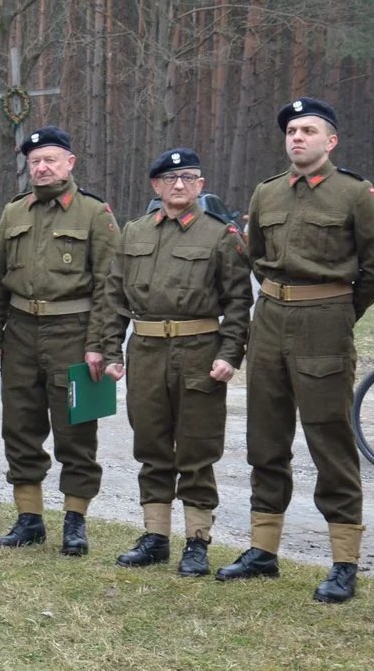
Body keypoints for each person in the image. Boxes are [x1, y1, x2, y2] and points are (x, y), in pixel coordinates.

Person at [216, 98, 374, 604]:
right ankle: (262, 550)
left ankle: (343, 563)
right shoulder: (267, 193)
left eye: (308, 130)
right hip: (269, 319)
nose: (297, 138)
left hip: (325, 322)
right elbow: (256, 259)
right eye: (292, 130)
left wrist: (336, 310)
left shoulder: (356, 195)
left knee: (329, 441)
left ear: (330, 141)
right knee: (265, 438)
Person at [102, 148, 252, 575]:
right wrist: (112, 350)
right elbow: (113, 298)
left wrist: (229, 354)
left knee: (196, 449)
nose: (180, 185)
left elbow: (240, 302)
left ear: (201, 185)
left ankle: (197, 541)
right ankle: (155, 537)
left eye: (189, 177)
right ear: (156, 186)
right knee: (150, 446)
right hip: (146, 352)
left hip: (199, 354)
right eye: (170, 179)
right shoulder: (133, 233)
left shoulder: (220, 235)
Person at [0, 125, 119, 556]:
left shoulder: (95, 214)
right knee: (19, 428)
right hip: (20, 332)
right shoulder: (13, 213)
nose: (41, 168)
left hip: (75, 336)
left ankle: (75, 521)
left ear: (69, 163)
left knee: (77, 431)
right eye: (34, 161)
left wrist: (100, 344)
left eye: (50, 160)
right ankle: (29, 519)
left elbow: (109, 288)